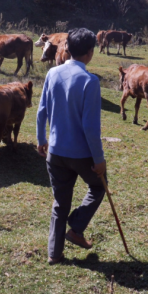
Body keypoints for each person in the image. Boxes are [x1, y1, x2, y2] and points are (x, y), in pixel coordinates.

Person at [36, 28, 106, 265]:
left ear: (65, 48)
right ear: (90, 53)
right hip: (81, 155)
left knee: (60, 203)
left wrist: (41, 139)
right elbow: (90, 128)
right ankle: (76, 228)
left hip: (54, 152)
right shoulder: (90, 81)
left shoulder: (52, 74)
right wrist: (99, 159)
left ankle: (54, 254)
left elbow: (41, 112)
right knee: (98, 187)